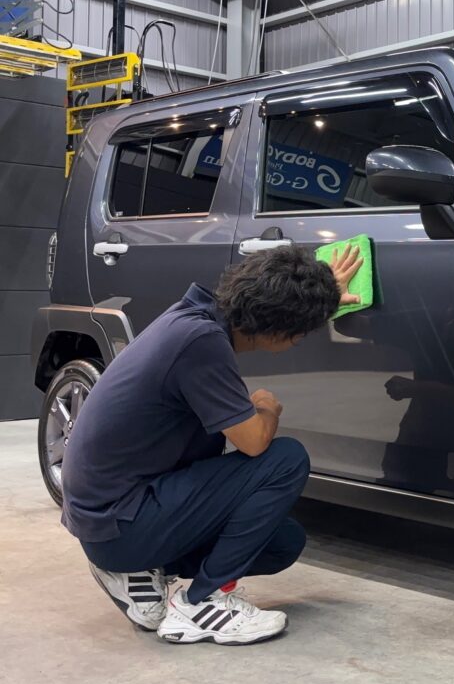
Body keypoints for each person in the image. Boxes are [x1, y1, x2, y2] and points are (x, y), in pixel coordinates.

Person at [60, 244, 363, 645]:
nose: (297, 341)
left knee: (281, 544)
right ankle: (201, 604)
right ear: (278, 327)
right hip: (120, 523)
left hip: (109, 517)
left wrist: (315, 300)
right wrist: (266, 408)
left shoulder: (194, 318)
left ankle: (136, 569)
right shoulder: (200, 343)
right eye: (299, 332)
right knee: (285, 459)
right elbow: (255, 444)